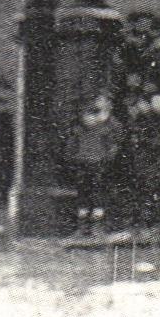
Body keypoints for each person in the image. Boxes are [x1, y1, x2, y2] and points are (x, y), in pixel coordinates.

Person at [63, 94, 122, 236]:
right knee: (82, 196)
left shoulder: (104, 131)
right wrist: (75, 159)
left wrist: (106, 159)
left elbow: (112, 147)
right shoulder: (78, 131)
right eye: (86, 115)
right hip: (82, 167)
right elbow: (70, 148)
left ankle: (97, 226)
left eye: (92, 115)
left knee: (98, 196)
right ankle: (82, 226)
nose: (89, 118)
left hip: (99, 167)